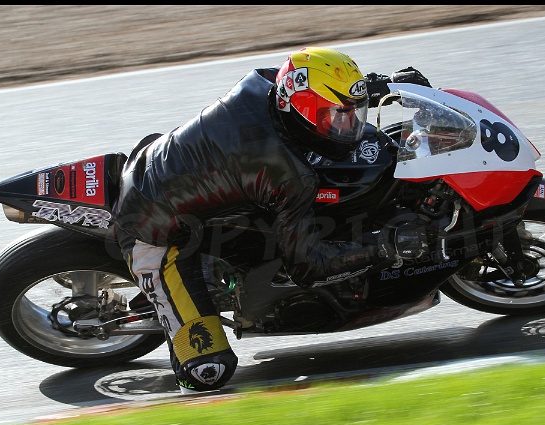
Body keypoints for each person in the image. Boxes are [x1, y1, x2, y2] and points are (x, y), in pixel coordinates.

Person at [112, 46, 432, 393]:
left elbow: (318, 86)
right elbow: (308, 268)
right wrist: (382, 248)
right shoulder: (286, 174)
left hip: (171, 172)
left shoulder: (267, 82)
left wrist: (380, 86)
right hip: (152, 231)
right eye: (336, 115)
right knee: (208, 372)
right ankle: (182, 316)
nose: (349, 123)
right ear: (305, 112)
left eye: (352, 112)